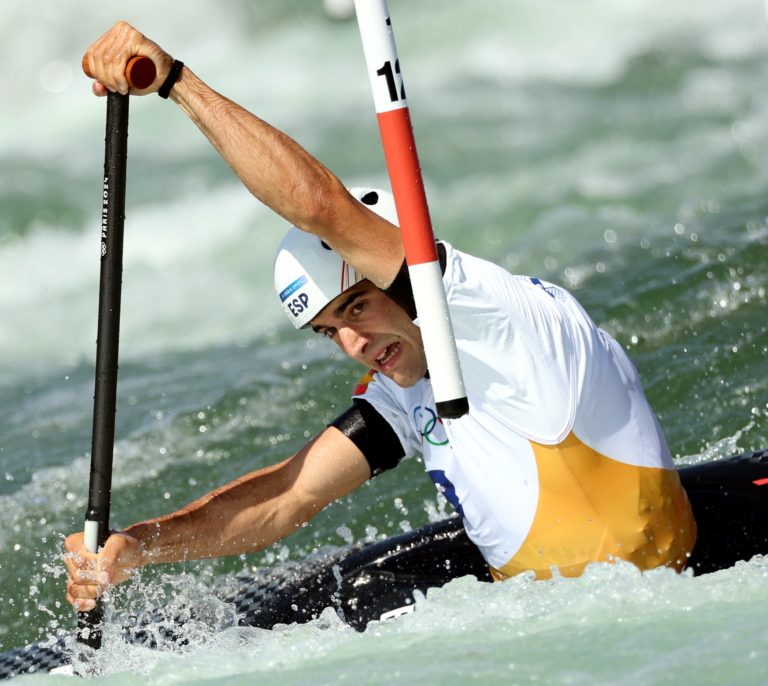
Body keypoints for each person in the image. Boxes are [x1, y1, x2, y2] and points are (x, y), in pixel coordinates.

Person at [65, 22, 696, 614]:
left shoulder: (491, 316)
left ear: (406, 273)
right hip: (549, 630)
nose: (354, 344)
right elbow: (289, 495)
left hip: (661, 609)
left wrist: (176, 81)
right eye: (329, 330)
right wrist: (136, 546)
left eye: (357, 306)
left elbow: (318, 206)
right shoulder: (408, 383)